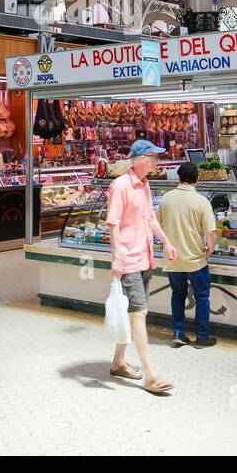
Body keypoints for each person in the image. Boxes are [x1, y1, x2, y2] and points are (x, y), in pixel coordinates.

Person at [106, 139, 178, 394]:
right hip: (128, 261)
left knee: (131, 313)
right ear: (140, 159)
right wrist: (116, 258)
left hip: (145, 257)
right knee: (139, 314)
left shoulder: (145, 185)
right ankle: (151, 375)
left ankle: (118, 363)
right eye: (154, 157)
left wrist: (167, 243)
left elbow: (150, 219)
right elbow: (113, 223)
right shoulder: (121, 186)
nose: (157, 161)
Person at [157, 162, 217, 348]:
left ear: (179, 178)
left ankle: (178, 332)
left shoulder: (167, 199)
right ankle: (201, 336)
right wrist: (210, 248)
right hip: (195, 260)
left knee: (177, 294)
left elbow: (156, 224)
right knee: (201, 296)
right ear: (197, 179)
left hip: (173, 258)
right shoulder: (202, 201)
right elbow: (210, 233)